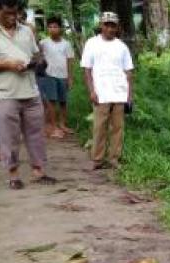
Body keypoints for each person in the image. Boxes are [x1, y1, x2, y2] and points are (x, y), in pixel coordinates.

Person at [0, 0, 56, 189]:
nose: (12, 17)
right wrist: (7, 64)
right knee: (9, 136)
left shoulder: (27, 31)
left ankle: (38, 170)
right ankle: (13, 175)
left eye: (15, 13)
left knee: (36, 133)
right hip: (6, 93)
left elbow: (37, 54)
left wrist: (37, 63)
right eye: (7, 14)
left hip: (30, 90)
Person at [80, 11, 133, 170]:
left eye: (113, 26)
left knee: (117, 128)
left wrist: (129, 95)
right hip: (101, 92)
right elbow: (87, 70)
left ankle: (114, 158)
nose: (110, 28)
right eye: (107, 25)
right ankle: (97, 159)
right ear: (101, 26)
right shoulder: (92, 43)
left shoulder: (122, 46)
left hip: (119, 92)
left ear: (117, 28)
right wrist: (91, 90)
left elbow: (128, 72)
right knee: (99, 127)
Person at [38, 16, 74, 138]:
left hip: (63, 76)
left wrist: (70, 77)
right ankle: (53, 126)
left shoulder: (66, 44)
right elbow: (37, 56)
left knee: (63, 102)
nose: (53, 29)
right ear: (47, 28)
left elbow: (70, 61)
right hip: (49, 75)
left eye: (55, 26)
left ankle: (62, 124)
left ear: (60, 28)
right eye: (50, 27)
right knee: (51, 102)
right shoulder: (43, 43)